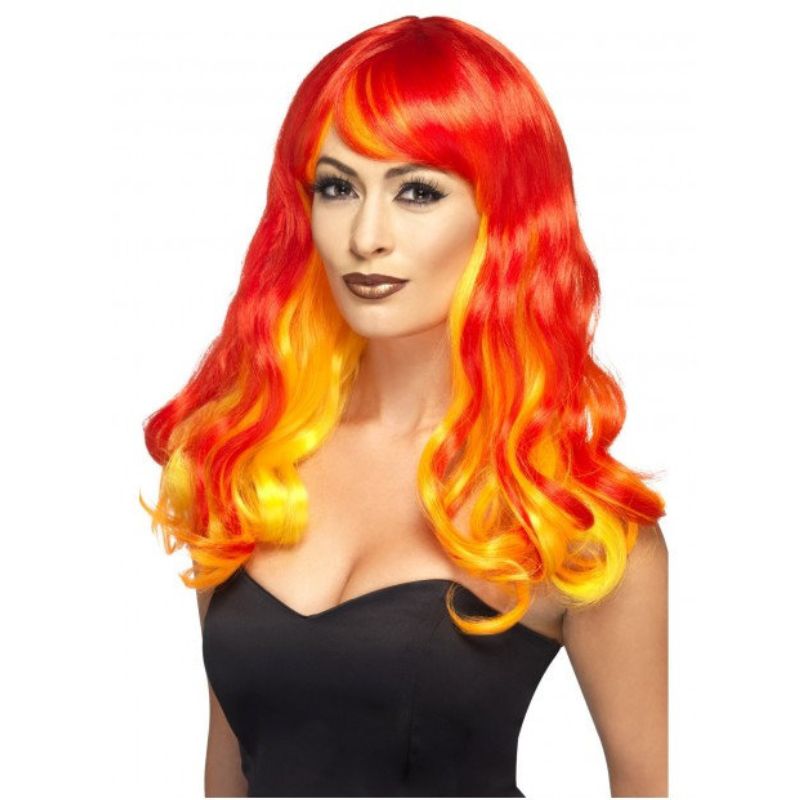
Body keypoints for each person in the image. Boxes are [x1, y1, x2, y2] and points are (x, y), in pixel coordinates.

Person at [141, 14, 667, 798]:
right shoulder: (242, 460)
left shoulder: (572, 519)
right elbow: (231, 772)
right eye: (337, 187)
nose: (367, 235)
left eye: (418, 191)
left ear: (504, 217)